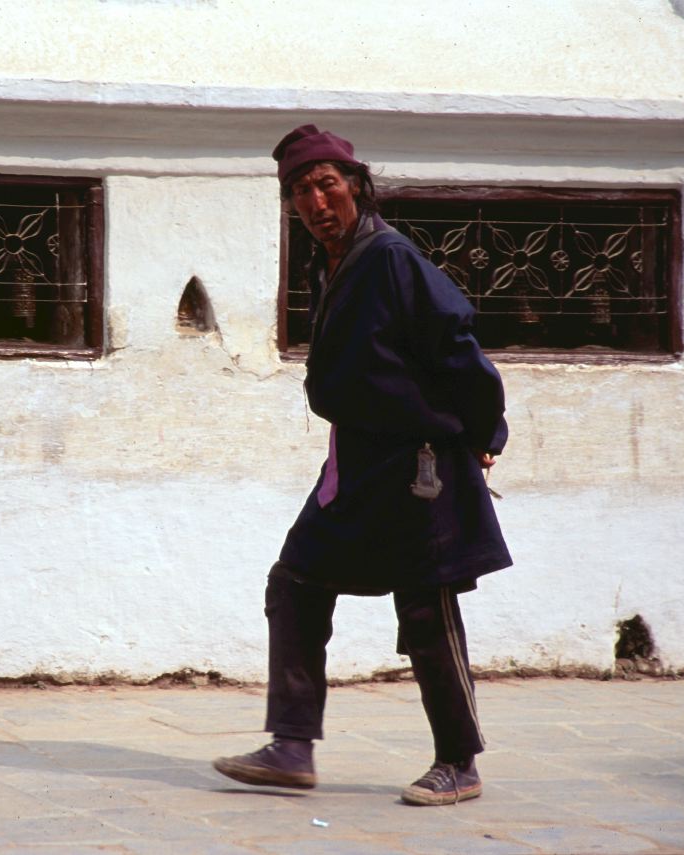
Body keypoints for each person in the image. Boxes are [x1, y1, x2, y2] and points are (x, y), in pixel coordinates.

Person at [212, 125, 512, 806]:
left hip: (418, 465)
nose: (316, 201)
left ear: (356, 186)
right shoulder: (336, 263)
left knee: (427, 608)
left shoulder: (390, 258)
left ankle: (458, 761)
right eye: (300, 191)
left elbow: (459, 346)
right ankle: (291, 745)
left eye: (326, 184)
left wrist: (485, 428)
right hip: (357, 461)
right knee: (297, 577)